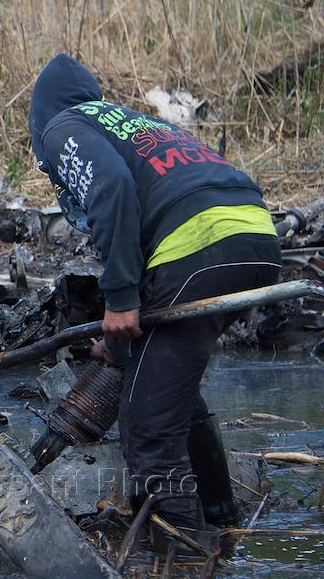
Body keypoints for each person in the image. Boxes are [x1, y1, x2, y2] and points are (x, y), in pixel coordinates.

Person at [28, 54, 281, 554]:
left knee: (146, 428)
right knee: (170, 393)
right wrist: (117, 340)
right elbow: (152, 199)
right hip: (253, 236)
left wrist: (120, 300)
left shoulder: (61, 126)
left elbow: (111, 188)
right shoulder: (131, 122)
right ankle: (222, 526)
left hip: (197, 246)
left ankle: (185, 557)